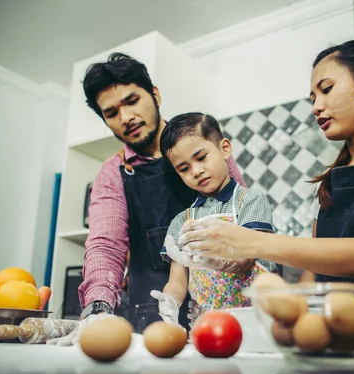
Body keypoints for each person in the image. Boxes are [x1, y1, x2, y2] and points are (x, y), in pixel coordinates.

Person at [174, 40, 354, 354]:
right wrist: (289, 321)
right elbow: (316, 273)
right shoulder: (332, 178)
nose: (316, 106)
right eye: (313, 98)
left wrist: (250, 242)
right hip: (333, 339)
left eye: (327, 88)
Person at [48, 53, 247, 344]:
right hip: (152, 319)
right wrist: (98, 306)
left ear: (155, 95)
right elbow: (106, 244)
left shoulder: (203, 146)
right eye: (112, 112)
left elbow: (241, 220)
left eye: (131, 101)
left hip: (222, 312)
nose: (126, 118)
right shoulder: (113, 173)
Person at [149, 112, 278, 327]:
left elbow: (246, 261)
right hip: (207, 327)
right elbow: (177, 281)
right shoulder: (182, 222)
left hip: (254, 321)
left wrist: (210, 260)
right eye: (184, 168)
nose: (196, 171)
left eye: (201, 158)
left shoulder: (251, 201)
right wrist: (171, 300)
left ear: (224, 148)